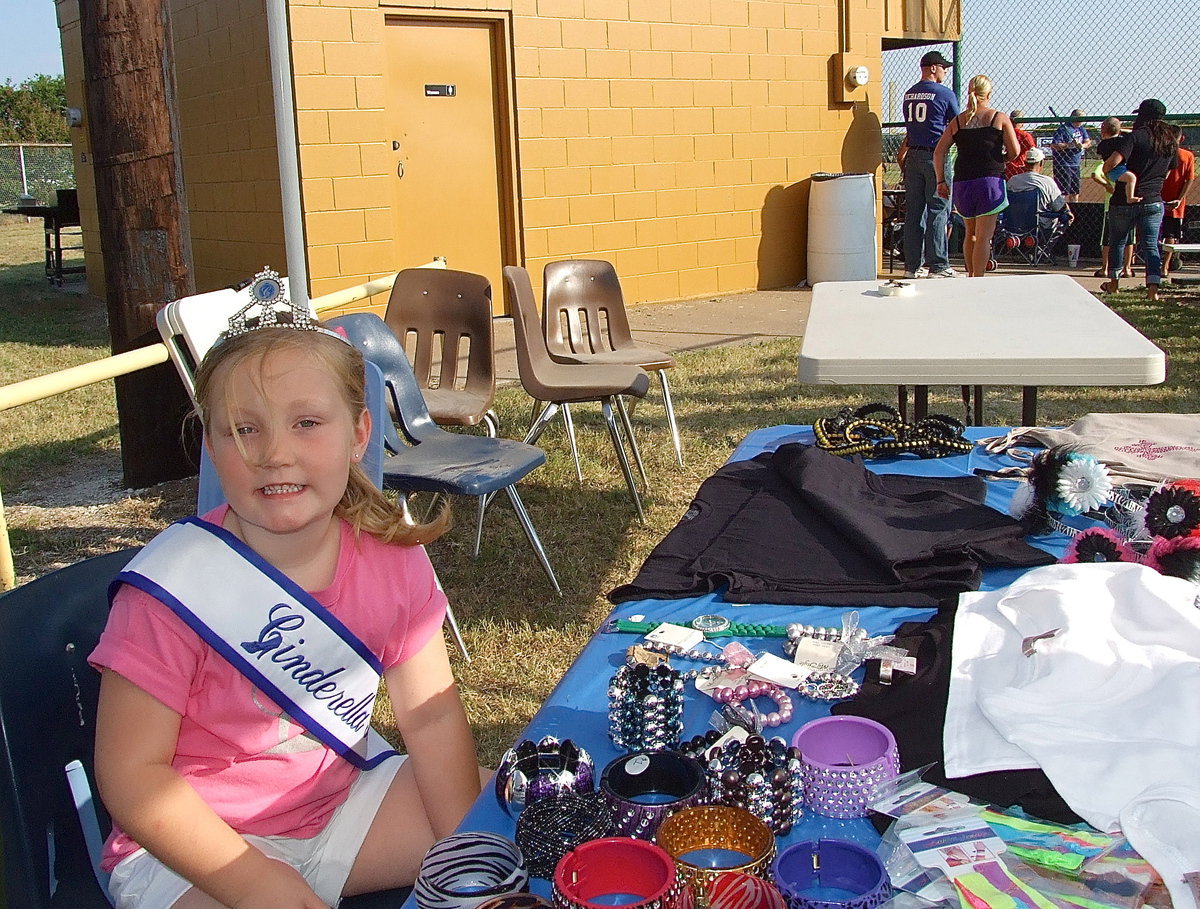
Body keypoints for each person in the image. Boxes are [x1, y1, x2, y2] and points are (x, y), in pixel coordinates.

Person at [90, 310, 483, 909]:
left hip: (342, 806)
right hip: (197, 849)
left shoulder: (394, 561)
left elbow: (429, 719)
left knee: (511, 820)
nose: (274, 453)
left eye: (306, 423)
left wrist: (467, 853)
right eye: (243, 429)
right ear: (211, 446)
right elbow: (132, 775)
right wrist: (255, 882)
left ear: (358, 434)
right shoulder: (169, 589)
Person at [934, 74, 1021, 277]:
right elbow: (1015, 151)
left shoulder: (958, 121)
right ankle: (978, 279)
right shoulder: (998, 118)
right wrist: (1003, 159)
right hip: (990, 181)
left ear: (969, 92)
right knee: (984, 237)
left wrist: (941, 180)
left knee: (970, 234)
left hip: (963, 182)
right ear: (989, 93)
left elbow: (939, 151)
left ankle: (970, 275)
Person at [1101, 99, 1179, 301]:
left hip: (1123, 201)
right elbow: (1170, 171)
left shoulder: (1135, 137)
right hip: (1153, 199)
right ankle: (1153, 290)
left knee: (1117, 241)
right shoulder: (1170, 140)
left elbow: (1111, 163)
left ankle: (1114, 283)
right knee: (1151, 245)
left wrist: (1113, 176)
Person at [901, 49, 961, 279]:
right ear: (933, 68)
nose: (945, 71)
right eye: (943, 67)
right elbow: (956, 124)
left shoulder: (909, 94)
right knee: (938, 209)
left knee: (914, 213)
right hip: (936, 155)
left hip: (913, 156)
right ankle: (937, 265)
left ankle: (911, 266)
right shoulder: (944, 93)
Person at [1089, 157, 1135, 278]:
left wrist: (1107, 185)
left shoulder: (1106, 164)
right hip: (1128, 205)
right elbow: (1095, 175)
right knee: (1129, 239)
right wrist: (1108, 185)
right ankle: (1127, 268)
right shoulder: (1129, 164)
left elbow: (1095, 175)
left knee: (1108, 239)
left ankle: (1106, 268)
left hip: (1111, 206)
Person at [1006, 147, 1073, 228]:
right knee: (1065, 217)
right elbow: (1059, 206)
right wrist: (1068, 213)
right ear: (1041, 163)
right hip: (1040, 226)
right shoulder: (1048, 182)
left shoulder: (1013, 180)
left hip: (1014, 224)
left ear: (1025, 163)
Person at [1161, 126, 1195, 279]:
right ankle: (1165, 266)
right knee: (1170, 234)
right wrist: (1180, 198)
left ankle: (1136, 262)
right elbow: (1189, 179)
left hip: (1155, 198)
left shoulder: (1159, 153)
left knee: (1147, 231)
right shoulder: (1187, 155)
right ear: (1181, 138)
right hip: (1175, 202)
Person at [1050, 108, 1092, 202]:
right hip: (1063, 164)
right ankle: (1062, 212)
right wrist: (1069, 145)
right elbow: (1054, 145)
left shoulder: (1081, 128)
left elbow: (1088, 142)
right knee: (1063, 192)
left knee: (1075, 191)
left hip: (1075, 164)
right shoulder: (1063, 129)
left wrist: (1082, 145)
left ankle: (1074, 210)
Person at [1096, 116, 1141, 203]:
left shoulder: (1102, 144)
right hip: (1116, 170)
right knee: (1131, 178)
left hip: (1113, 171)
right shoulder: (1121, 141)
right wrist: (1122, 131)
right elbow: (1133, 134)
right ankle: (1130, 197)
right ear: (1119, 130)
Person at [1005, 110, 1037, 181]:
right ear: (1022, 123)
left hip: (1007, 168)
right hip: (1021, 168)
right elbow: (1034, 152)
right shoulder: (1025, 136)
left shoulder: (1004, 133)